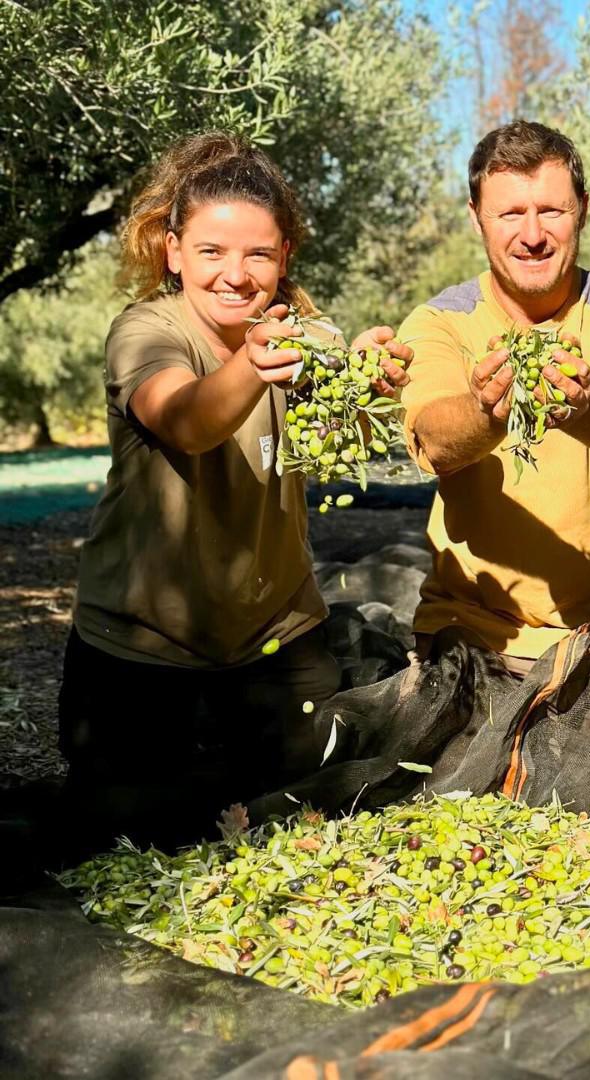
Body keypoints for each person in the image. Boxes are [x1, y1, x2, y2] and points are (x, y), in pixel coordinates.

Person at [58, 131, 412, 850]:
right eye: (212, 251)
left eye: (258, 253)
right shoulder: (146, 333)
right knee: (134, 851)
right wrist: (254, 362)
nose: (235, 274)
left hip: (275, 645)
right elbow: (186, 420)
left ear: (284, 258)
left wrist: (368, 375)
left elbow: (346, 417)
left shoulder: (304, 337)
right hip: (142, 654)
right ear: (174, 251)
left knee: (302, 835)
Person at [397, 120, 590, 671]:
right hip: (474, 632)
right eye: (510, 214)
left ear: (583, 211)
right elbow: (434, 439)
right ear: (476, 217)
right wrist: (486, 410)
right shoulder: (438, 323)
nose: (532, 235)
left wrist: (585, 408)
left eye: (551, 210)